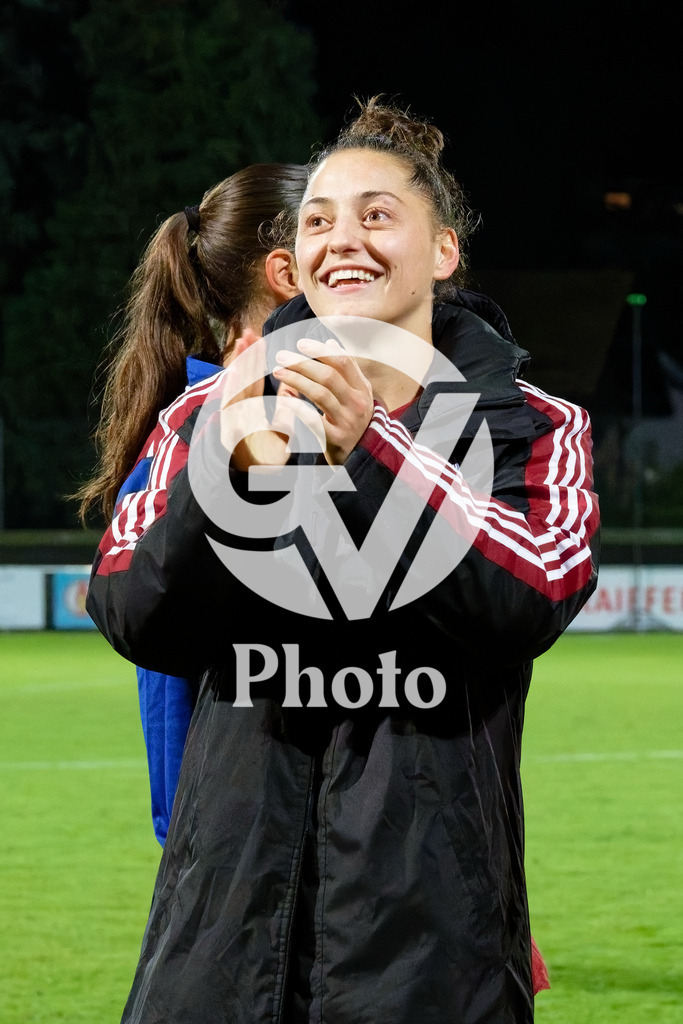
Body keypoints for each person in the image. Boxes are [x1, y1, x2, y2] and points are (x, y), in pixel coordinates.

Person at [87, 98, 595, 1023]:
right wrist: (222, 471)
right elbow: (131, 613)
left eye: (376, 214)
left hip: (431, 960)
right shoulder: (208, 416)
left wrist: (373, 448)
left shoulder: (532, 424)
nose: (342, 238)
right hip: (221, 948)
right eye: (317, 219)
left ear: (442, 252)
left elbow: (532, 593)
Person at [77, 164, 307, 844]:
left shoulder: (338, 409)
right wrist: (196, 853)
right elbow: (168, 674)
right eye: (328, 229)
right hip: (252, 861)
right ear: (287, 272)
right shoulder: (209, 427)